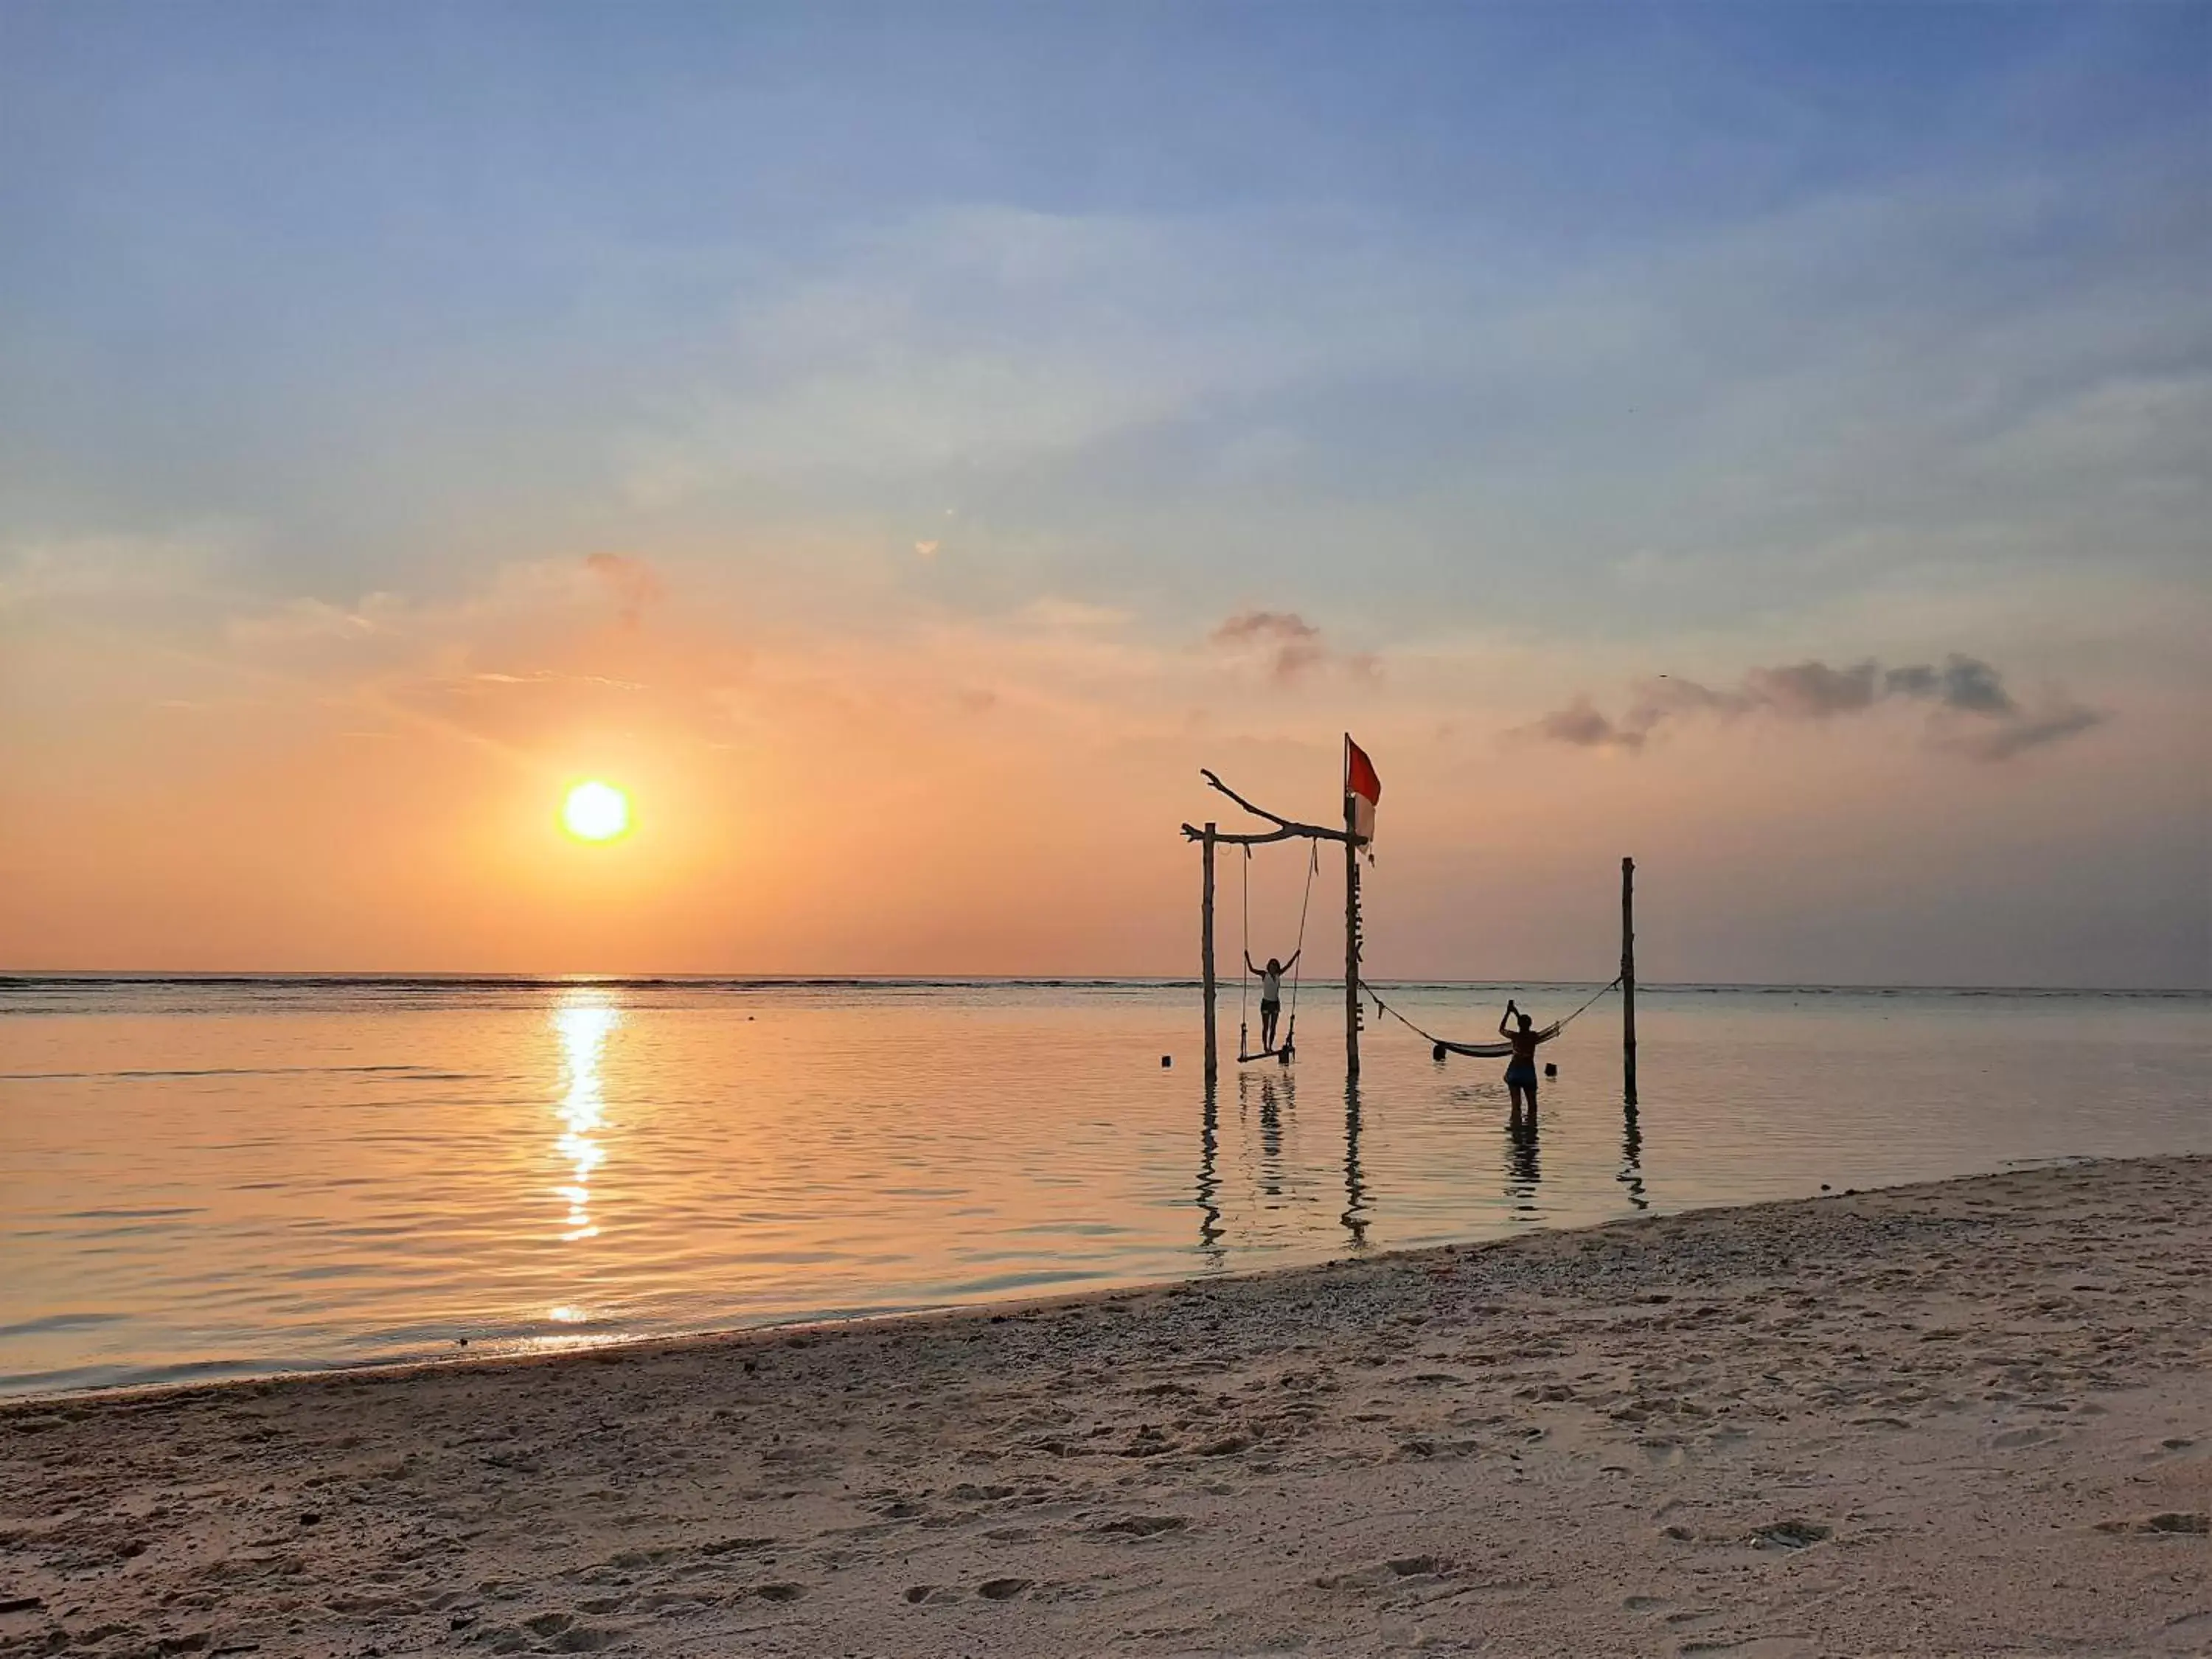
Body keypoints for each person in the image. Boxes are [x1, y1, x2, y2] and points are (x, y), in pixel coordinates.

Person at [1498, 998, 1555, 1116]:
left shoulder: (1514, 1036)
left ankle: (1516, 1129)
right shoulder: (1534, 1036)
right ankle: (1531, 1130)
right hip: (1528, 1073)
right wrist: (1516, 1013)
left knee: (1516, 1105)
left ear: (1519, 1024)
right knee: (1532, 1106)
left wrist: (1509, 1012)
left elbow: (1501, 1029)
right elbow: (1527, 1027)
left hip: (1515, 1072)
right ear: (1531, 1024)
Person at [1245, 947, 1301, 1052]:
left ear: (1277, 967)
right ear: (1269, 966)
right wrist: (1247, 958)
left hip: (1275, 1003)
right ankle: (1265, 1047)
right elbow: (1252, 970)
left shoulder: (1278, 975)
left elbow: (1289, 965)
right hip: (1266, 1003)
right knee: (1266, 1026)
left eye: (1275, 965)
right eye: (1272, 965)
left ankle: (1270, 1046)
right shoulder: (1264, 975)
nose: (1273, 967)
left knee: (1273, 1027)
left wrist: (1296, 955)